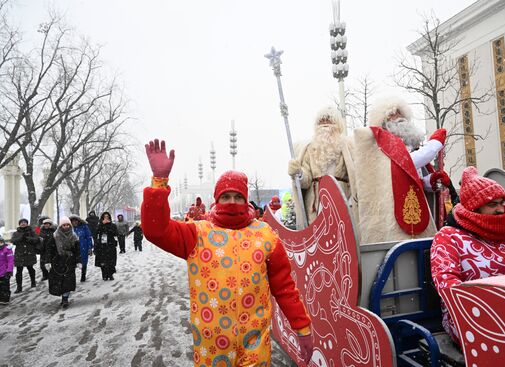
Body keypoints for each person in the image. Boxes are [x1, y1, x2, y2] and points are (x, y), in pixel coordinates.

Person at [142, 139, 313, 366]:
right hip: (212, 347)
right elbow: (156, 230)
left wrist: (301, 327)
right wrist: (158, 184)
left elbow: (284, 288)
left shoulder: (265, 236)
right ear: (217, 199)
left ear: (246, 200)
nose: (232, 202)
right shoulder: (197, 234)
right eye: (225, 197)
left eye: (238, 197)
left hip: (254, 343)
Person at [431, 166, 505, 345]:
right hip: (472, 319)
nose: (501, 210)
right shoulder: (448, 237)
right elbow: (448, 286)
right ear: (474, 207)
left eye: (501, 202)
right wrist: (490, 311)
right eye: (492, 204)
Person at [352, 96, 447, 243]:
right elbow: (406, 163)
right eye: (392, 114)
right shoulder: (382, 145)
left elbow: (413, 180)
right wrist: (434, 144)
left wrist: (430, 182)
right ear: (383, 121)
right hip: (392, 215)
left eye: (400, 113)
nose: (398, 118)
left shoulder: (411, 146)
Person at [287, 106, 356, 224]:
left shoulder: (349, 147)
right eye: (321, 121)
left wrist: (351, 200)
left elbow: (355, 175)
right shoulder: (309, 149)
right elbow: (306, 180)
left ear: (337, 124)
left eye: (329, 121)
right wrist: (299, 173)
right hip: (317, 207)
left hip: (342, 202)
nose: (325, 125)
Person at [44, 217, 81, 308]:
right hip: (57, 261)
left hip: (69, 261)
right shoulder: (55, 236)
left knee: (68, 281)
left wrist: (78, 261)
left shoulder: (74, 236)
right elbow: (49, 250)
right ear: (60, 226)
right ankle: (62, 295)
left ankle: (65, 298)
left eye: (68, 225)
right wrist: (48, 261)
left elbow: (77, 250)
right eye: (64, 225)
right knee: (58, 280)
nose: (66, 226)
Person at [11, 218, 40, 293]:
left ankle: (33, 283)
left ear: (27, 223)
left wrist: (27, 238)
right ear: (19, 224)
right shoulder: (16, 233)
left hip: (29, 253)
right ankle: (19, 287)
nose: (23, 223)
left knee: (30, 268)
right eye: (21, 222)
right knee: (19, 271)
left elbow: (36, 239)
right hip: (19, 254)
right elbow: (13, 241)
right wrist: (21, 237)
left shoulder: (32, 232)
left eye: (25, 222)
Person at [94, 212, 118, 281]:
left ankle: (110, 274)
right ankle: (104, 275)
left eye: (107, 216)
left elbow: (116, 233)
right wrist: (102, 225)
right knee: (103, 261)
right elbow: (96, 233)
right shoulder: (100, 225)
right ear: (102, 218)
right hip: (102, 246)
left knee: (111, 261)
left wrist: (108, 228)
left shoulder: (113, 225)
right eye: (105, 216)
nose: (106, 218)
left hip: (110, 245)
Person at [70, 215, 93, 282]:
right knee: (72, 263)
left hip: (83, 247)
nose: (74, 222)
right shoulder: (70, 228)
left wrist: (90, 247)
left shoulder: (84, 227)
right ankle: (72, 278)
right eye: (73, 221)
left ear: (78, 221)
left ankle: (83, 275)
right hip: (73, 248)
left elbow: (89, 237)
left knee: (84, 262)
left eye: (76, 220)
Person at [0, 237, 14, 305]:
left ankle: (5, 299)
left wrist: (9, 270)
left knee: (5, 286)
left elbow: (10, 261)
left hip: (5, 272)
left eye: (1, 242)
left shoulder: (7, 250)